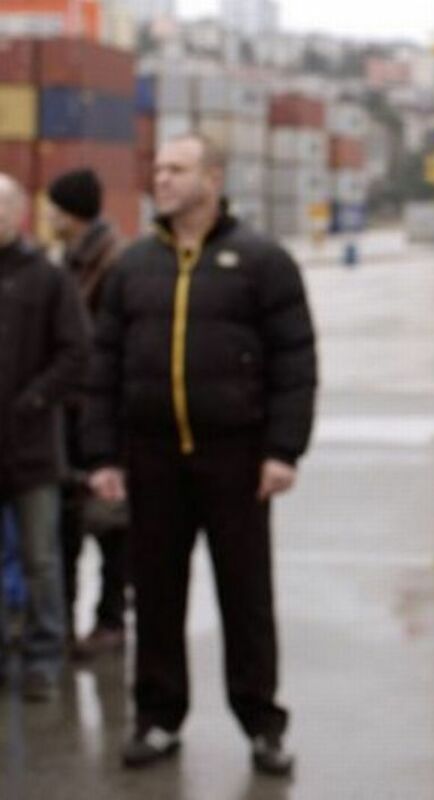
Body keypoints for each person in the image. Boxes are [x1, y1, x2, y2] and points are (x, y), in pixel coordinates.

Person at [83, 133, 317, 776]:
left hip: (236, 458)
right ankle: (158, 717)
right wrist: (102, 455)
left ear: (212, 178)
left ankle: (262, 723)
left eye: (176, 169)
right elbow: (103, 368)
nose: (161, 178)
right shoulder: (133, 267)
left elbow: (295, 361)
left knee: (246, 596)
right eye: (158, 168)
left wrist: (283, 450)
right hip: (152, 457)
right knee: (156, 594)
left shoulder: (263, 261)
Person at [0, 173, 90, 702]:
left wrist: (34, 399)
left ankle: (43, 657)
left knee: (41, 559)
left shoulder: (48, 279)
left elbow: (77, 351)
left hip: (32, 447)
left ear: (19, 214)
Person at [46, 167, 130, 660]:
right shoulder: (69, 260)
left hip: (100, 408)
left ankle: (110, 621)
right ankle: (65, 624)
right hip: (69, 409)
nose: (48, 216)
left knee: (111, 520)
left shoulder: (113, 263)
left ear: (70, 213)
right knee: (66, 523)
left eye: (54, 208)